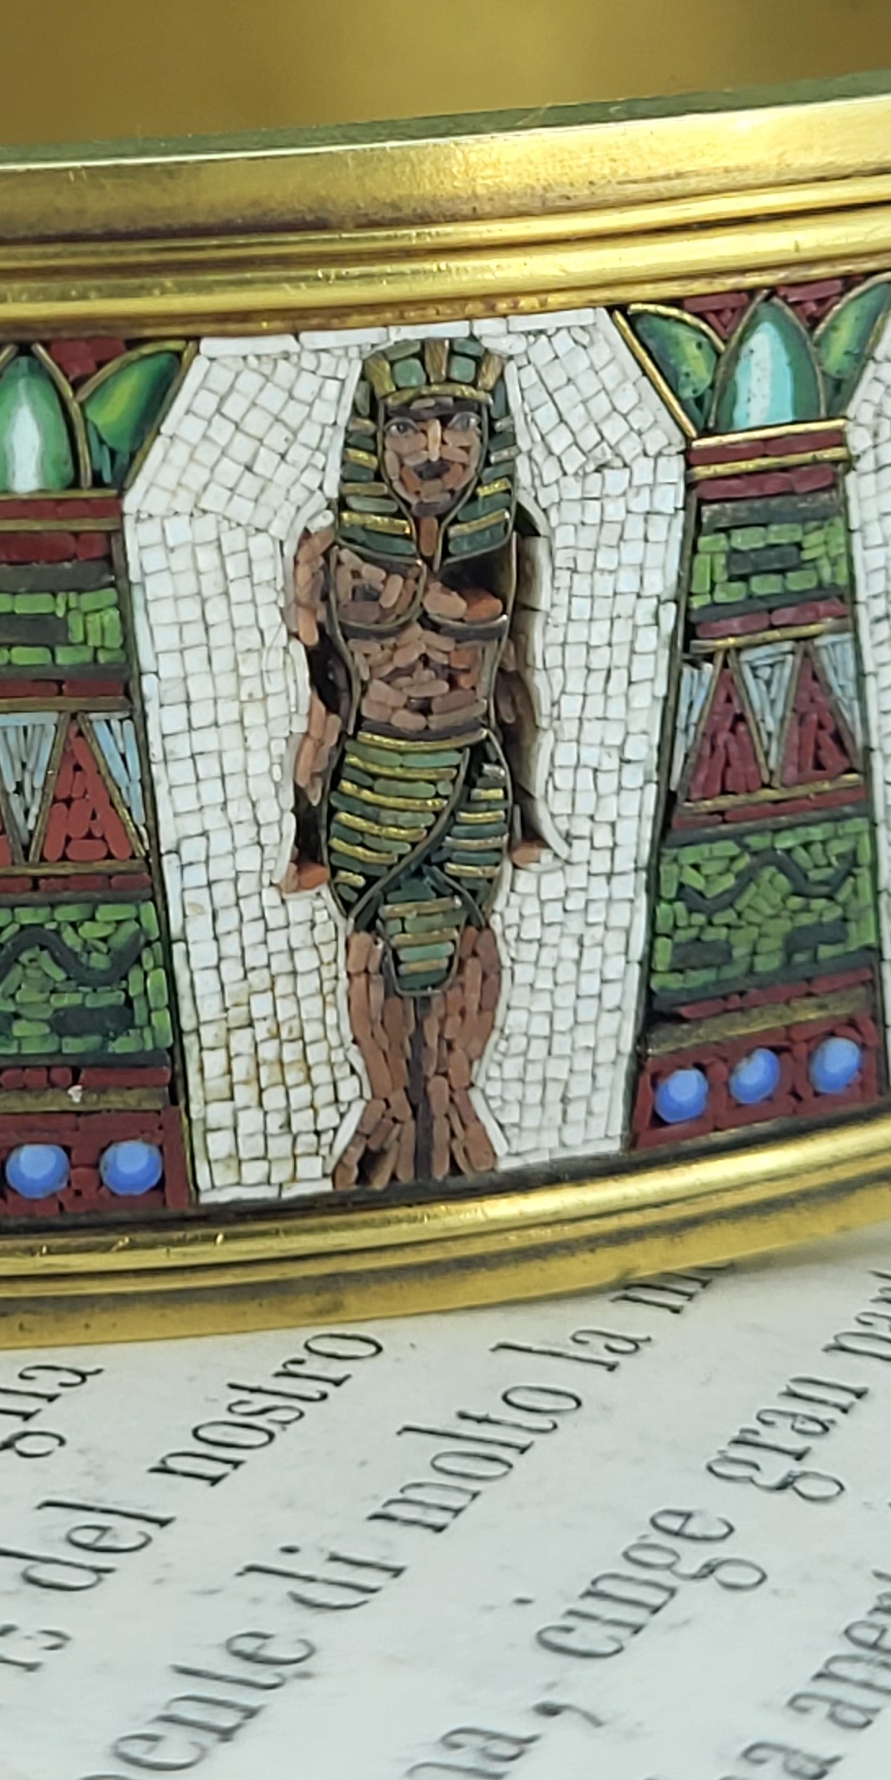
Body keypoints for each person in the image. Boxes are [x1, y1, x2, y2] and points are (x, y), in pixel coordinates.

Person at [284, 339, 541, 1189]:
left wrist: (527, 811)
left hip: (468, 777)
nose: (436, 451)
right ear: (374, 437)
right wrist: (306, 829)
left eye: (459, 424)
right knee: (371, 947)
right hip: (369, 779)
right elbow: (324, 693)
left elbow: (515, 681)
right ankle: (390, 1108)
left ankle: (453, 1103)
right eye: (410, 427)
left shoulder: (509, 543)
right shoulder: (327, 557)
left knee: (467, 942)